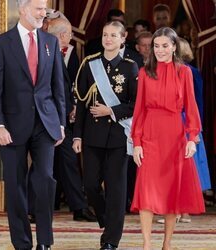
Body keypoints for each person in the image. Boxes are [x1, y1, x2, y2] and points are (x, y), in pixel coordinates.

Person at [0, 0, 66, 249]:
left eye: (45, 9)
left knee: (45, 180)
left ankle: (45, 242)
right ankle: (22, 243)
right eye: (38, 9)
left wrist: (60, 123)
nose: (43, 14)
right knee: (16, 185)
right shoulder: (1, 43)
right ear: (22, 9)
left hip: (45, 124)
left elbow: (57, 88)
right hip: (11, 126)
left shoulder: (50, 42)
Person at [130, 27, 205, 250]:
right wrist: (136, 142)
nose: (160, 50)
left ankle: (167, 244)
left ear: (174, 46)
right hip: (150, 134)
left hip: (175, 136)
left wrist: (192, 137)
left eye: (165, 45)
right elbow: (139, 110)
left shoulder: (185, 72)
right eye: (156, 46)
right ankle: (147, 244)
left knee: (172, 191)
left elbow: (191, 107)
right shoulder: (145, 72)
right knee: (146, 189)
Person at [73, 21, 138, 250]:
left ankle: (110, 240)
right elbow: (80, 104)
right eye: (104, 35)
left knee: (117, 191)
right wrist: (77, 136)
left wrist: (111, 110)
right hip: (92, 136)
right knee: (90, 184)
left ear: (123, 38)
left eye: (113, 35)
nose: (108, 39)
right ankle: (105, 217)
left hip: (119, 137)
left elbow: (136, 105)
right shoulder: (89, 64)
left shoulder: (131, 67)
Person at [28, 15, 96, 223]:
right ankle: (33, 208)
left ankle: (78, 207)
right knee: (42, 164)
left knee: (66, 162)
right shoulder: (43, 53)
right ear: (63, 35)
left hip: (60, 118)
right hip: (47, 120)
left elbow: (62, 87)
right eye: (69, 34)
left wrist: (71, 107)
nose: (71, 37)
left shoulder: (56, 52)